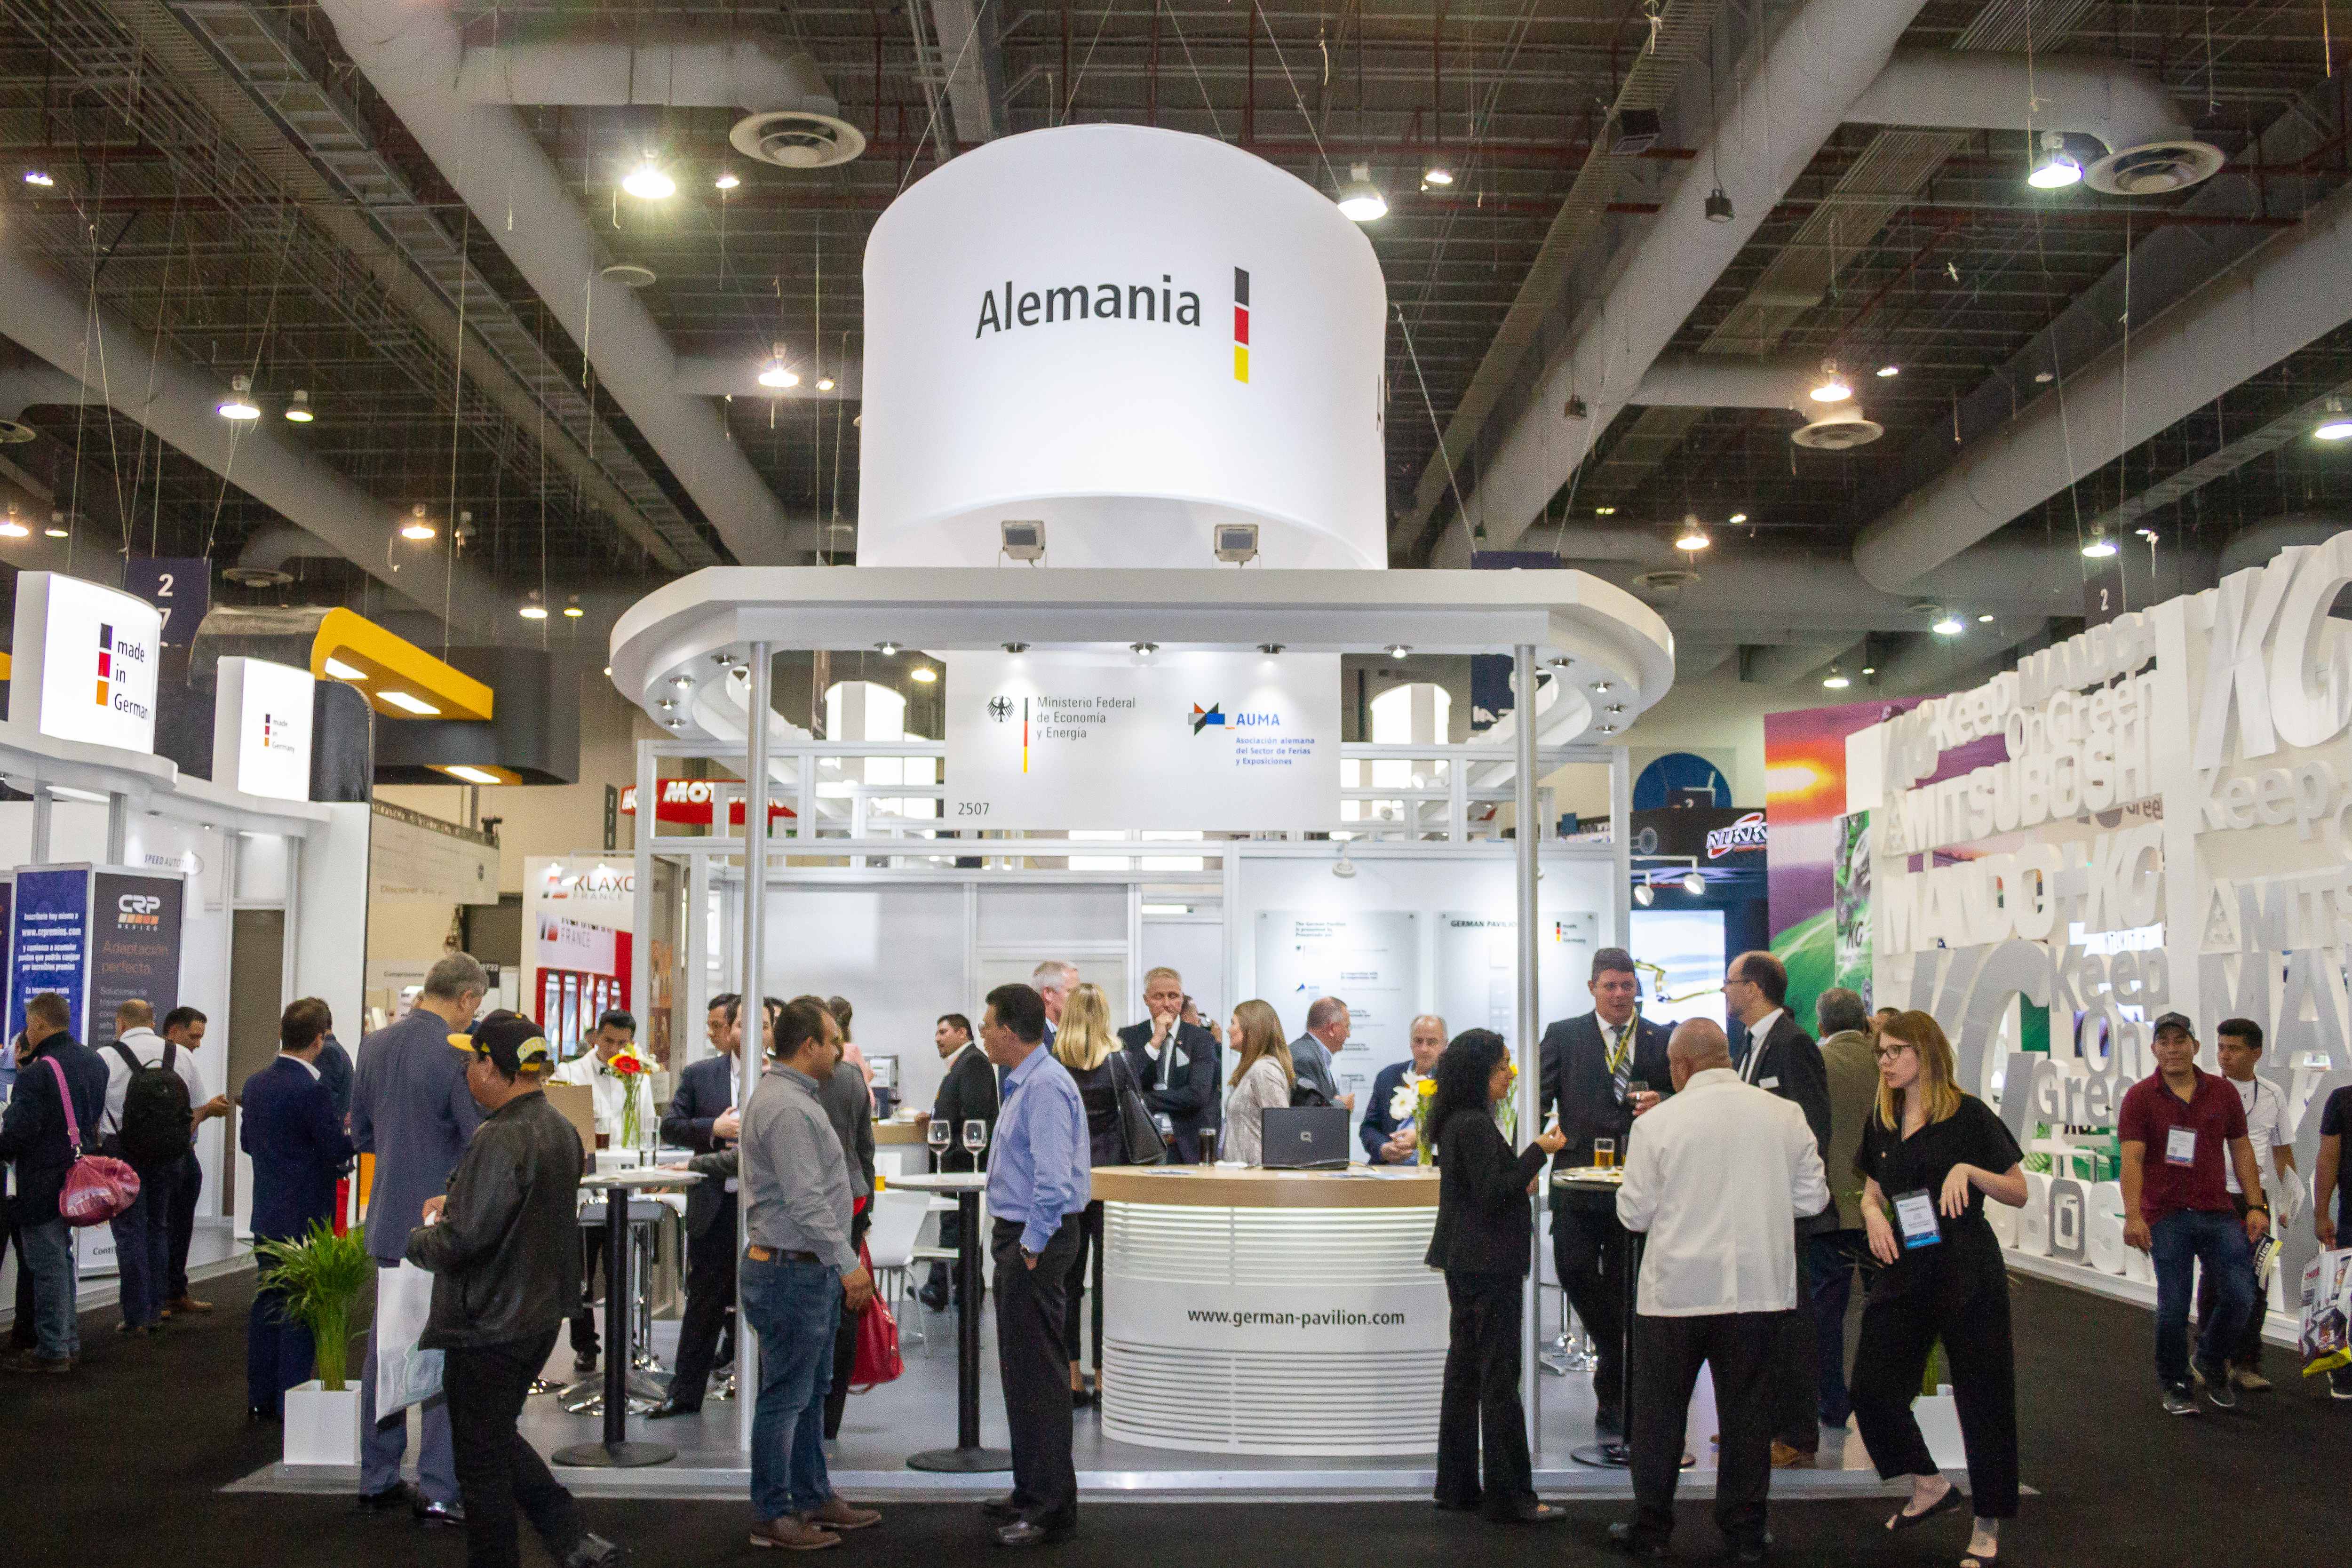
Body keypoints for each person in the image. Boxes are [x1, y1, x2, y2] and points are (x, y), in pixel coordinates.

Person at [1609, 1019, 1828, 1563]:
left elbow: (1633, 1214)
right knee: (1748, 1418)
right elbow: (1812, 1201)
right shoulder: (1784, 1115)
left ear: (1679, 1067)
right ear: (1727, 1058)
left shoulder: (1658, 1124)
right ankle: (1744, 1535)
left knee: (1659, 1418)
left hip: (1674, 1293)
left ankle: (1652, 1530)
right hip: (1759, 1293)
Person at [405, 1011, 617, 1568]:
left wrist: (420, 1240)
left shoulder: (502, 1136)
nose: (466, 1070)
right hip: (534, 1316)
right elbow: (515, 1214)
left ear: (496, 1069)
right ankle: (569, 1535)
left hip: (487, 1323)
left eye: (471, 1059)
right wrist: (457, 1204)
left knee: (480, 1463)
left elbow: (466, 1239)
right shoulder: (557, 1128)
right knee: (493, 1437)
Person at [1849, 1010, 2027, 1568]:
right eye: (1881, 1052)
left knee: (1983, 1397)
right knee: (1871, 1390)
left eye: (1896, 1051)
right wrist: (1872, 1215)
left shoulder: (1966, 1114)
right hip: (1905, 1265)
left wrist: (1971, 1172)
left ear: (1926, 1053)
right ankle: (1929, 1486)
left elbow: (2017, 1191)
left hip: (1965, 1268)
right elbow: (1871, 1192)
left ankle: (1986, 1522)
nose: (1885, 1061)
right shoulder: (1882, 1118)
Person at [727, 995, 881, 1550]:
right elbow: (807, 1202)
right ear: (809, 1045)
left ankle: (812, 1496)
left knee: (810, 1391)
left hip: (802, 1269)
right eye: (833, 1040)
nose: (841, 1049)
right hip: (792, 1269)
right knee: (786, 1396)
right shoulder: (788, 1108)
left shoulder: (794, 1097)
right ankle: (772, 1514)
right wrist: (848, 1264)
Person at [351, 951, 488, 1522]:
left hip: (387, 1220)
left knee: (386, 1353)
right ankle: (438, 1486)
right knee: (442, 1353)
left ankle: (378, 1476)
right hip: (441, 1227)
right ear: (467, 1000)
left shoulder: (375, 1044)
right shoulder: (456, 1054)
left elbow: (359, 1132)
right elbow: (478, 1139)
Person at [1426, 1028, 1568, 1521]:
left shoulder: (1457, 1120)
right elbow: (1492, 1190)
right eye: (1503, 1065)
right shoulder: (1472, 1124)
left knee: (1465, 1373)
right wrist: (1538, 1151)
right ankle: (1511, 1498)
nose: (1510, 1074)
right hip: (1488, 1263)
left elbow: (1485, 1187)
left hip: (1467, 1260)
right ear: (1480, 1073)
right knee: (1497, 1378)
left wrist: (1516, 1178)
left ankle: (1458, 1486)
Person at [1537, 949, 1670, 1437]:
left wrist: (1667, 1099)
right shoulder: (1563, 1035)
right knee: (1571, 1268)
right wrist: (1528, 1160)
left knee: (1623, 1288)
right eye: (1610, 986)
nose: (1619, 995)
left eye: (1627, 986)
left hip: (1635, 1186)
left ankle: (1614, 1401)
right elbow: (1537, 1099)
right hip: (1575, 1183)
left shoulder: (1659, 1038)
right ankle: (1614, 1348)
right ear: (1591, 987)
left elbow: (1687, 1099)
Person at [977, 983, 1091, 1547]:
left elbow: (1053, 1182)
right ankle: (1030, 1492)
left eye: (986, 1022)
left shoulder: (1043, 1087)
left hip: (1035, 1242)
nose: (980, 1031)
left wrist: (1029, 1246)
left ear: (1008, 1030)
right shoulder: (1026, 1082)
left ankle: (1050, 1507)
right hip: (1026, 1238)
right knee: (1021, 1373)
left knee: (1040, 1377)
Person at [2118, 1011, 2269, 1417]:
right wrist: (2133, 1215)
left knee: (2242, 1294)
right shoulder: (2139, 1097)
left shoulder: (2221, 1092)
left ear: (2195, 1046)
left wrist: (2255, 1205)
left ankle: (2208, 1359)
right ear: (2154, 1049)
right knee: (2174, 1305)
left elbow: (2241, 1148)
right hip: (2165, 1216)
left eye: (2180, 1040)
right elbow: (2132, 1159)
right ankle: (2175, 1383)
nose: (2173, 1049)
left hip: (2217, 1211)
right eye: (2164, 1041)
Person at [1723, 949, 1835, 1467]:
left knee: (1791, 1324)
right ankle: (1758, 1425)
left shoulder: (1792, 1045)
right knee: (1757, 1322)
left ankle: (1796, 1433)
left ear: (1753, 987)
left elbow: (1811, 1132)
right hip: (1753, 1211)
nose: (1724, 992)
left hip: (1785, 1213)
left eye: (1730, 983)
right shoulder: (1747, 1046)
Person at [244, 998, 357, 1420]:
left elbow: (247, 1143)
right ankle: (291, 1396)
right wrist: (359, 1131)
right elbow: (336, 1149)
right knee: (301, 1307)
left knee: (268, 1300)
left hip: (268, 1213)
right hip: (307, 1214)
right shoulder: (312, 1091)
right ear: (320, 1039)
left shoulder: (256, 1083)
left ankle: (260, 1398)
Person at [649, 993, 746, 1419]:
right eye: (739, 1024)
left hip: (765, 1210)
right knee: (704, 1301)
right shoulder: (701, 1075)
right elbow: (671, 1125)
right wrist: (715, 1128)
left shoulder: (780, 1078)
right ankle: (685, 1391)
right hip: (715, 1206)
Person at [0, 993, 108, 1373]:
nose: (27, 1032)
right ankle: (67, 1340)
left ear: (42, 1024)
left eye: (30, 1024)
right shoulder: (95, 1062)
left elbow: (18, 1133)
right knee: (62, 1262)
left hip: (41, 1182)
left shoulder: (38, 1073)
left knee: (47, 1265)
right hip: (75, 1177)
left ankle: (51, 1350)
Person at [97, 999, 211, 1334]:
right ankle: (157, 1307)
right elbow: (199, 1106)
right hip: (168, 1154)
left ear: (120, 1023)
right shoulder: (180, 1055)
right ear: (153, 1021)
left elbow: (95, 1112)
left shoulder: (106, 1056)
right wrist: (177, 1139)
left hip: (122, 1153)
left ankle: (137, 1317)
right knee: (159, 1226)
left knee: (130, 1230)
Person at [2198, 1018, 2294, 1392]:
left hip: (2257, 1199)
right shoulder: (2203, 1089)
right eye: (2221, 1047)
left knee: (2259, 1279)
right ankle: (2211, 1356)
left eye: (2234, 1048)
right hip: (2213, 1195)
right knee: (2214, 1280)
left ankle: (2246, 1362)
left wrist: (2287, 1199)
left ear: (2256, 1052)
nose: (2225, 1055)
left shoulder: (2272, 1094)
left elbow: (2282, 1150)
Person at [800, 996, 877, 1442]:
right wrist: (868, 1207)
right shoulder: (852, 1078)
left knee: (813, 1305)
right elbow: (865, 1147)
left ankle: (808, 1416)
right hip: (851, 1198)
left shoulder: (786, 1084)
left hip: (809, 1203)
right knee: (845, 1309)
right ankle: (831, 1417)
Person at [1808, 987, 1881, 1433]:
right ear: (1865, 1019)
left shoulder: (1816, 1064)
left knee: (1826, 1314)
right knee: (1886, 1311)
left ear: (1822, 1026)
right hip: (1884, 1211)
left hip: (1829, 1208)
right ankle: (1886, 1402)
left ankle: (1834, 1404)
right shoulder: (1887, 1063)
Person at [550, 1009, 638, 1373]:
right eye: (609, 1041)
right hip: (584, 1189)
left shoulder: (638, 1074)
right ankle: (585, 1344)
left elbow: (643, 1122)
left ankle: (626, 1339)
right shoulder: (570, 1074)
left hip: (624, 1186)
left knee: (622, 1271)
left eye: (623, 1043)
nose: (615, 1049)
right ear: (594, 1037)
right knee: (581, 1273)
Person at [1051, 982, 1125, 1406]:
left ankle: (1072, 1376)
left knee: (1068, 1281)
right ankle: (1105, 1373)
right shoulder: (1118, 1063)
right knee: (1105, 1283)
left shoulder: (1056, 1063)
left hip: (1068, 1181)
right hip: (1110, 1181)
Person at [919, 1011, 998, 1311]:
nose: (937, 1038)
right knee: (958, 1228)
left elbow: (973, 1119)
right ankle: (954, 1291)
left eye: (943, 1032)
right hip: (956, 1166)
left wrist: (950, 1154)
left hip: (965, 1166)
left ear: (963, 1033)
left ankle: (948, 1290)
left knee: (961, 1228)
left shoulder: (974, 1062)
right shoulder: (962, 1064)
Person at [158, 1005, 228, 1319]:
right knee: (162, 1227)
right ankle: (158, 1296)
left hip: (185, 1153)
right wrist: (208, 1110)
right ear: (174, 1030)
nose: (198, 1044)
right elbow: (189, 1117)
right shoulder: (164, 1061)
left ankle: (175, 1292)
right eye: (194, 1036)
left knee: (180, 1226)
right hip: (168, 1154)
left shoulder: (181, 1062)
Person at [1118, 966, 1220, 1162]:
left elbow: (1197, 1095)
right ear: (1146, 1000)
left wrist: (1143, 1100)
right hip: (1142, 1144)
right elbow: (1126, 1083)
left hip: (1185, 1146)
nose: (1167, 1004)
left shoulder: (1201, 1039)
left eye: (1173, 996)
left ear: (1182, 999)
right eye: (1159, 997)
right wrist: (1155, 1042)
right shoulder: (1129, 1037)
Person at [1364, 1015, 1447, 1165]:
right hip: (1389, 1171)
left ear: (1445, 1045)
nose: (1424, 1049)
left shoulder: (1452, 1081)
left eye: (1432, 1042)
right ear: (1410, 1043)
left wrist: (1423, 1137)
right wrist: (1383, 1148)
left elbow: (1458, 1132)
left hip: (1434, 1171)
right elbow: (1369, 1127)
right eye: (1418, 1041)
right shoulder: (1389, 1076)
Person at [1220, 1000, 1294, 1167]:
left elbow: (1281, 1129)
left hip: (1257, 1179)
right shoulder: (1255, 1069)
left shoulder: (1265, 1070)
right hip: (1246, 1176)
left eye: (1233, 1023)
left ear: (1251, 1029)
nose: (1228, 1030)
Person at [2315, 1080, 2352, 1398]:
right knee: (2346, 1297)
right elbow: (2328, 1159)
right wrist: (2321, 1213)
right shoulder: (2343, 1100)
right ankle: (2344, 1372)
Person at [1289, 996, 1357, 1110]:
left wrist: (1334, 1101)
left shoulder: (1312, 1053)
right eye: (1347, 1027)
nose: (1348, 1034)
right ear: (1332, 1029)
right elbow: (1309, 1110)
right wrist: (1342, 1106)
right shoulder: (1304, 1058)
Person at [1032, 962, 1078, 1047]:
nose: (1079, 998)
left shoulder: (1077, 1033)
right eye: (1071, 992)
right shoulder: (1032, 1038)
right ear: (1048, 993)